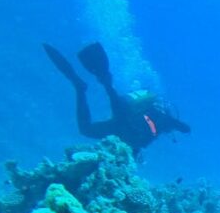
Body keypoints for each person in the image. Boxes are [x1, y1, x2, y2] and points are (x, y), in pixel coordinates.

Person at [43, 42, 191, 154]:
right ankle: (101, 81)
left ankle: (81, 87)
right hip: (126, 117)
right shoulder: (162, 120)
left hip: (121, 123)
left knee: (86, 129)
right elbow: (172, 123)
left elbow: (135, 145)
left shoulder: (151, 133)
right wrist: (182, 127)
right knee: (111, 98)